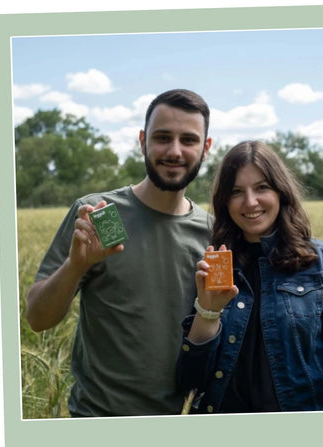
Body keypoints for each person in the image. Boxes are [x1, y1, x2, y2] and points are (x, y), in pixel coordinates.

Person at [26, 89, 213, 417]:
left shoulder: (212, 233)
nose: (174, 151)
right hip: (99, 419)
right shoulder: (99, 214)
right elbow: (38, 319)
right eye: (162, 137)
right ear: (142, 141)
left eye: (188, 140)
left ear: (205, 148)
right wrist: (75, 266)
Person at [177, 140, 323, 414]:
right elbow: (190, 383)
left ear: (281, 192)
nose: (250, 202)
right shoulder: (214, 265)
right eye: (236, 191)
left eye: (262, 188)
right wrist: (208, 312)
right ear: (224, 200)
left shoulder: (320, 260)